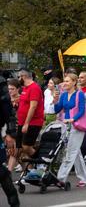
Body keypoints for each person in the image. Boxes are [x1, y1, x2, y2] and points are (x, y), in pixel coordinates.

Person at [53, 73, 86, 187]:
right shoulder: (64, 95)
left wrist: (72, 119)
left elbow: (81, 110)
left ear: (74, 82)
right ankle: (85, 178)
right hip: (66, 125)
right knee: (76, 153)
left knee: (70, 152)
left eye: (68, 81)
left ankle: (60, 178)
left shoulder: (80, 94)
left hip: (77, 125)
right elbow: (57, 109)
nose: (65, 83)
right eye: (64, 81)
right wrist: (55, 100)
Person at [0, 71, 20, 207]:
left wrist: (10, 133)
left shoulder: (0, 83)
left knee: (0, 170)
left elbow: (8, 110)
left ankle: (13, 198)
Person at [16, 69, 44, 159]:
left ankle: (40, 161)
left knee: (26, 146)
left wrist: (26, 123)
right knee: (19, 148)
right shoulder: (25, 88)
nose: (18, 79)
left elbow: (33, 107)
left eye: (19, 77)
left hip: (33, 122)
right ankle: (32, 166)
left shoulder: (34, 88)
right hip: (22, 122)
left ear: (24, 76)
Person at [7, 79, 21, 172]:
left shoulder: (22, 99)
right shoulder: (6, 99)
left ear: (18, 89)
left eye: (12, 89)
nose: (10, 91)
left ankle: (7, 175)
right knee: (16, 153)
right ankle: (29, 173)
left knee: (14, 152)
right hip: (8, 128)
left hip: (18, 127)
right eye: (9, 89)